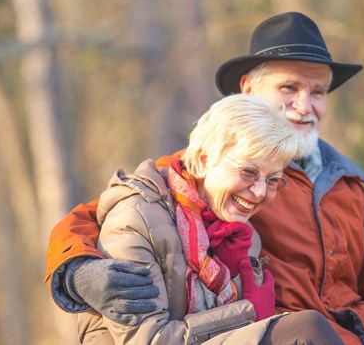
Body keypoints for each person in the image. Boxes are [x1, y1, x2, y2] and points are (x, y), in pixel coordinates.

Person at [45, 12, 364, 345]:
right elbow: (116, 212)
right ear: (248, 90)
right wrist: (76, 272)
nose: (304, 105)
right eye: (288, 88)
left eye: (317, 92)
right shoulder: (217, 173)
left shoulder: (351, 193)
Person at [73, 94, 343, 344]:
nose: (261, 191)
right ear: (203, 161)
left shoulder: (242, 235)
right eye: (248, 171)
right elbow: (150, 339)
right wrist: (249, 311)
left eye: (272, 180)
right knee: (307, 329)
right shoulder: (135, 220)